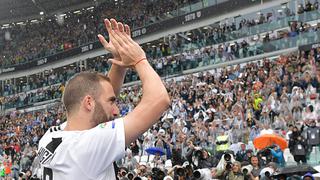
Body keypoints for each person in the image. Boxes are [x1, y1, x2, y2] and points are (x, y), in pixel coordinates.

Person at [37, 18, 170, 179]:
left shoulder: (51, 136)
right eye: (112, 102)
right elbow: (159, 100)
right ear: (88, 103)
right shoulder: (87, 147)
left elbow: (101, 98)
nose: (117, 110)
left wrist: (119, 62)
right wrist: (139, 60)